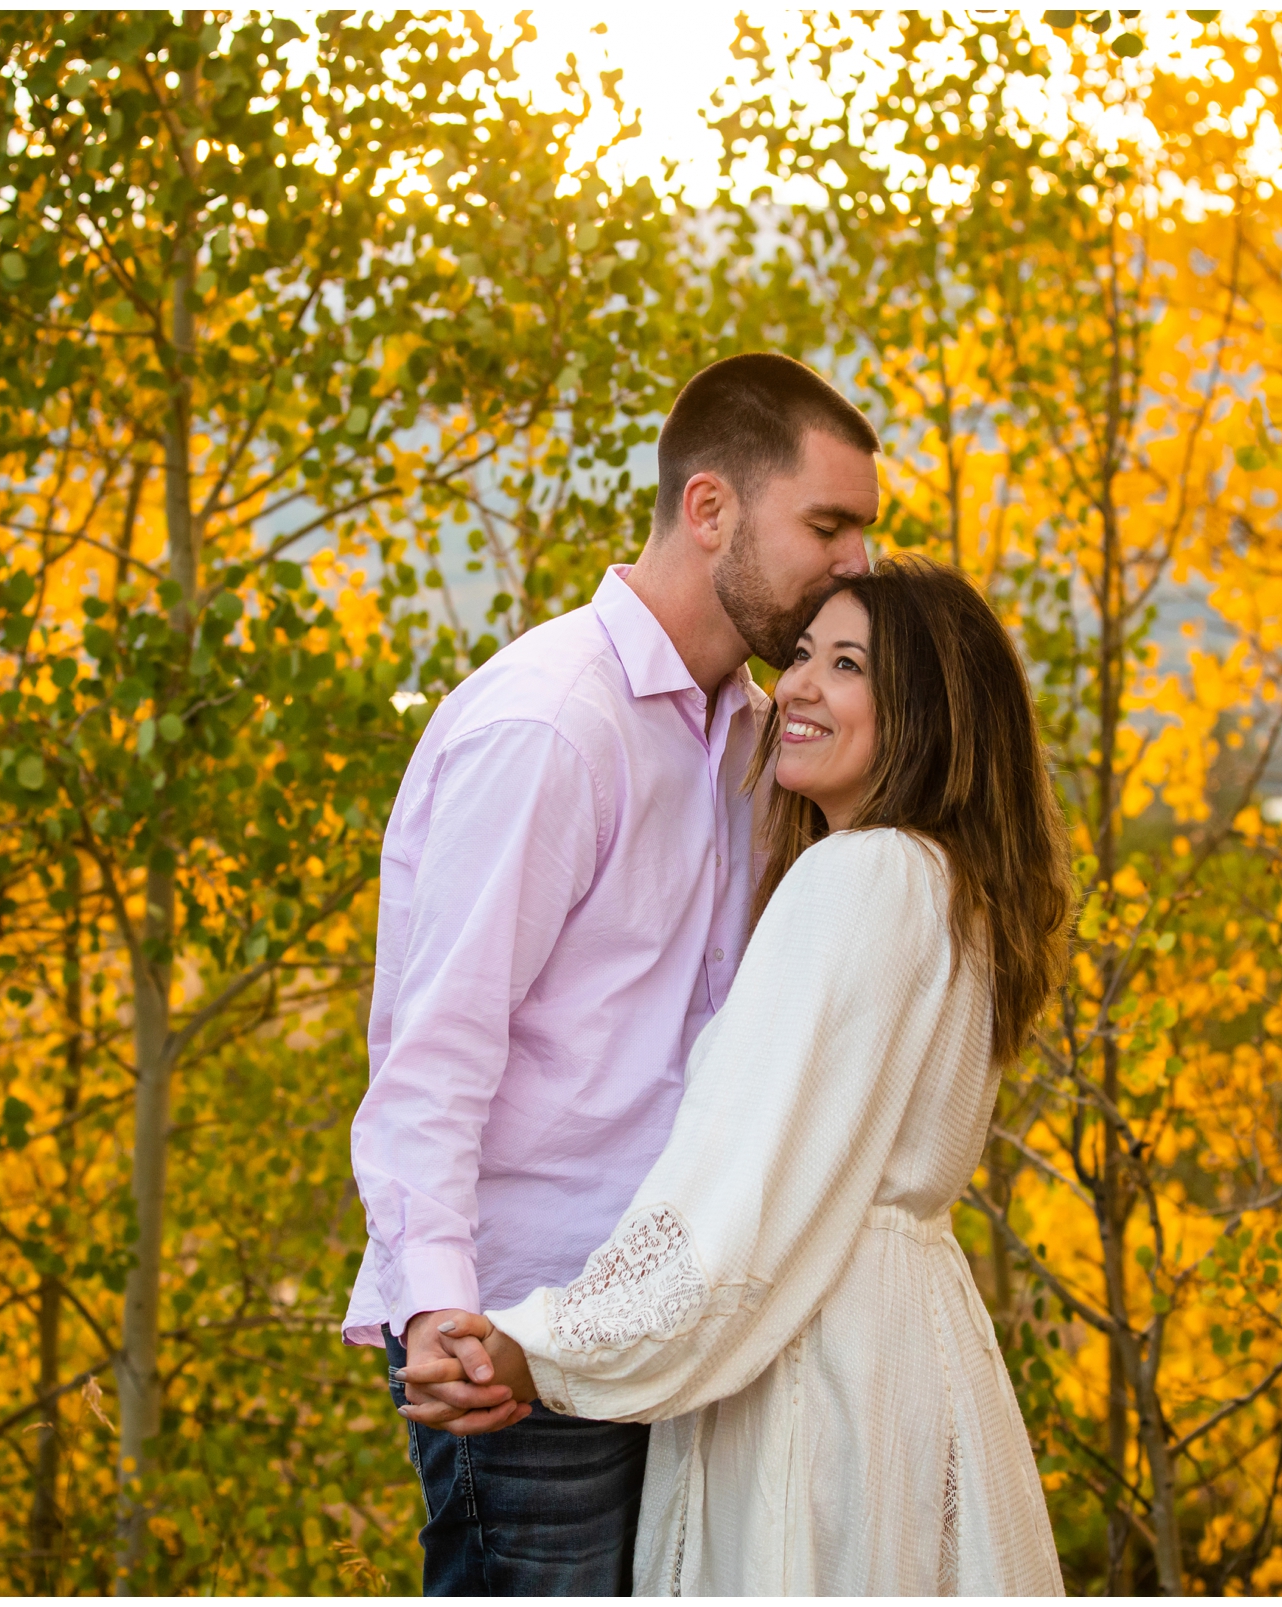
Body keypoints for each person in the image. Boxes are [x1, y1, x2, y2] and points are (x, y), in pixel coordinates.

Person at [402, 558, 1073, 1596]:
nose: (795, 685)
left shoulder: (857, 876)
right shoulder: (957, 885)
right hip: (912, 1346)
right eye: (802, 653)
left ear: (931, 711)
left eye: (847, 665)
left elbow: (734, 1207)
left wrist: (535, 1346)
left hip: (819, 1360)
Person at [340, 353, 882, 1595]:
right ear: (711, 510)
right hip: (516, 1338)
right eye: (829, 524)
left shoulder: (761, 736)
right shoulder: (549, 724)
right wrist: (436, 1313)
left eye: (865, 531)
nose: (857, 564)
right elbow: (435, 1052)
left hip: (676, 1326)